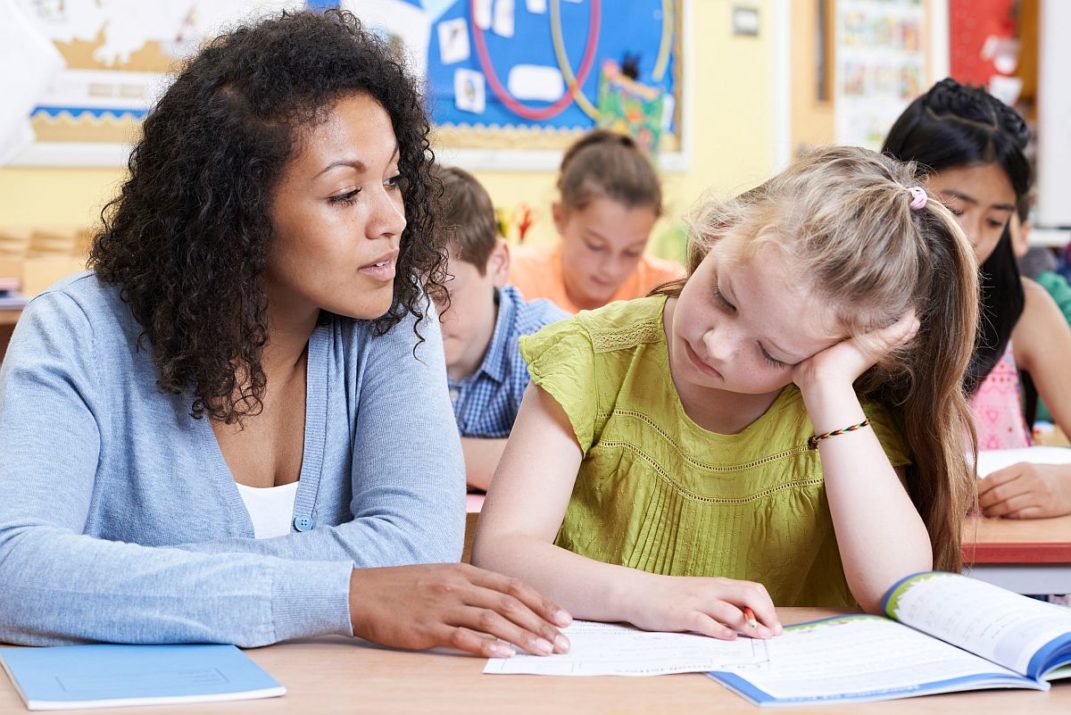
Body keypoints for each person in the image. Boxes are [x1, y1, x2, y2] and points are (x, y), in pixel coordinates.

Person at [0, 10, 572, 657]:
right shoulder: (73, 333)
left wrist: (118, 577)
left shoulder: (391, 314)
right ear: (236, 216)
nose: (391, 219)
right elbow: (16, 572)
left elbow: (417, 546)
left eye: (391, 180)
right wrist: (347, 595)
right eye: (344, 194)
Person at [473, 146, 979, 638]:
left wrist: (827, 387)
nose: (716, 345)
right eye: (724, 296)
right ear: (719, 231)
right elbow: (503, 550)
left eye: (772, 353)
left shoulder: (843, 412)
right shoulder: (591, 356)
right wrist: (648, 596)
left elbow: (895, 587)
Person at [883, 78, 1071, 519]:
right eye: (957, 208)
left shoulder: (1026, 309)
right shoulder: (852, 308)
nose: (971, 238)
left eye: (995, 220)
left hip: (1010, 574)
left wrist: (1065, 484)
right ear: (897, 187)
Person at [433, 166, 567, 490]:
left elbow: (557, 470)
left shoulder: (547, 343)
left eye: (441, 295)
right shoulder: (385, 341)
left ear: (498, 264)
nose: (424, 319)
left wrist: (425, 455)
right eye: (406, 299)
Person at [508, 130, 683, 313]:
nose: (611, 269)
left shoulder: (666, 292)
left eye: (632, 252)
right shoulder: (514, 282)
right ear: (559, 218)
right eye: (595, 246)